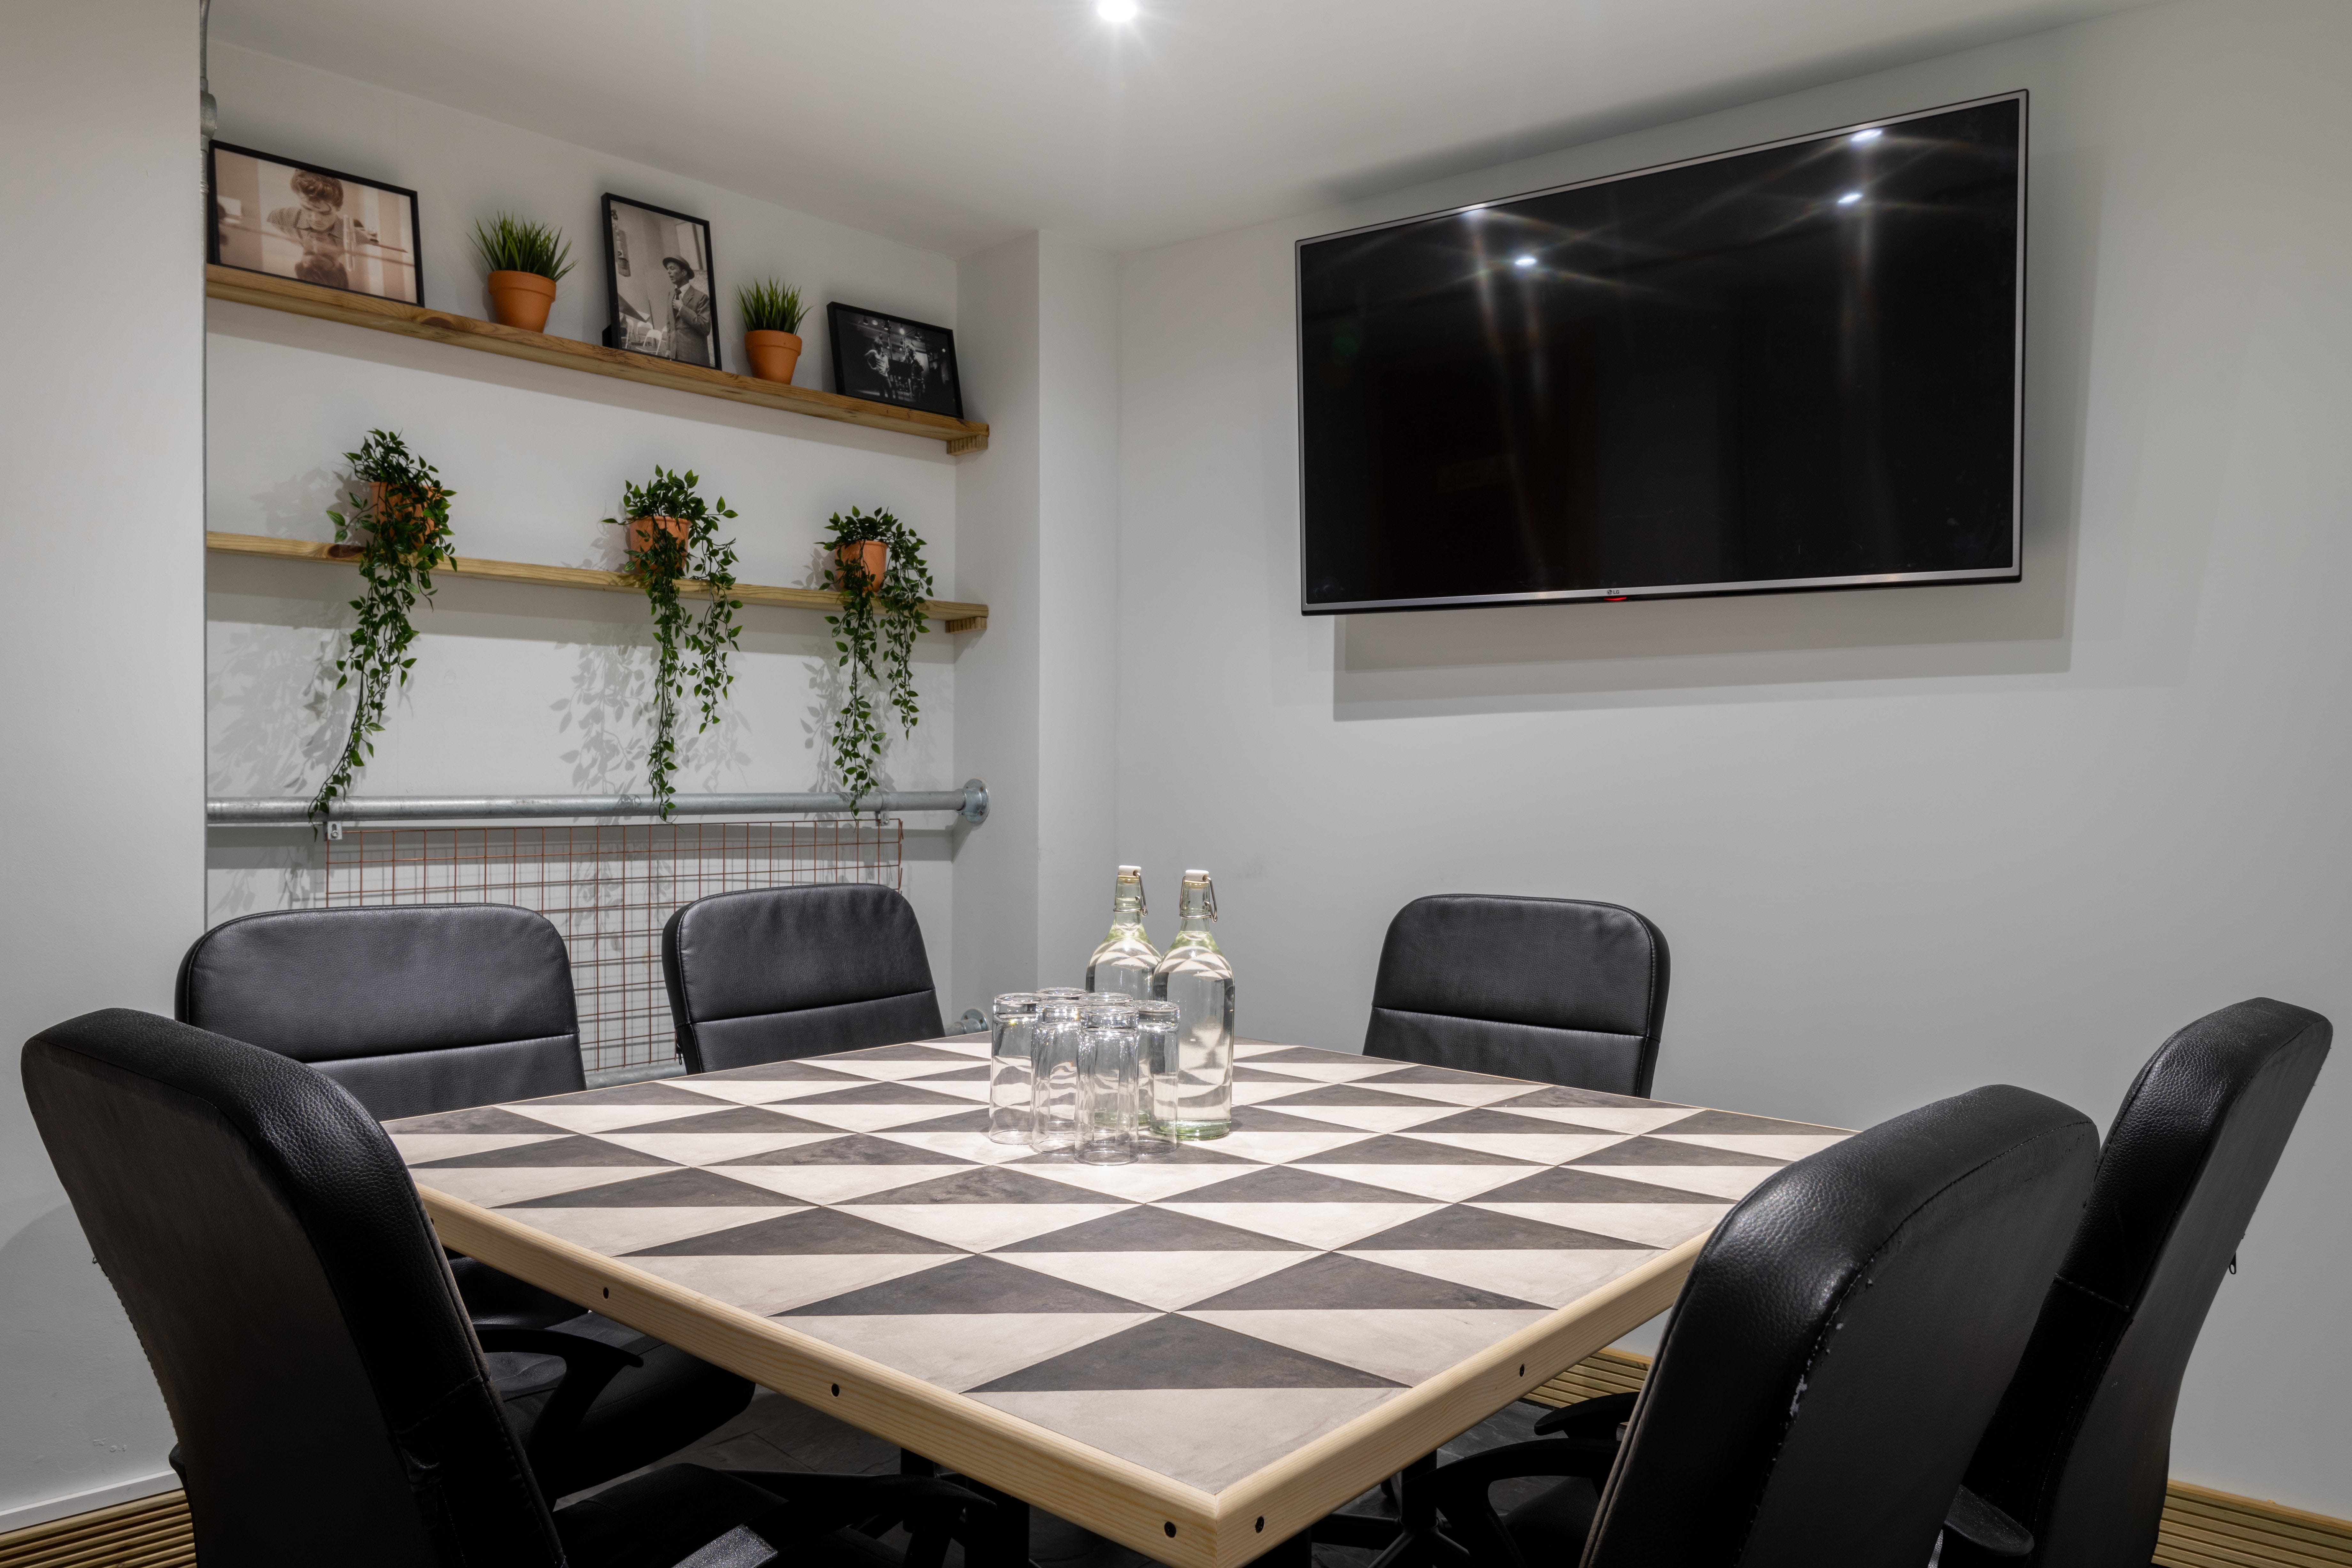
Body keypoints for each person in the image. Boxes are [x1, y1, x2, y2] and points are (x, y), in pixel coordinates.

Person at [266, 169, 375, 291]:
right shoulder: (278, 219)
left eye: (324, 213)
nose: (315, 219)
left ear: (338, 207)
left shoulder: (362, 238)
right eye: (307, 208)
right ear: (340, 265)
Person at [662, 256, 713, 367]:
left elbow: (705, 327)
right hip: (675, 357)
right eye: (668, 269)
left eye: (672, 268)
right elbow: (670, 326)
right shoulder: (671, 296)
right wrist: (669, 349)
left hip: (694, 359)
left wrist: (682, 309)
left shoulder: (701, 298)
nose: (669, 272)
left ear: (684, 273)